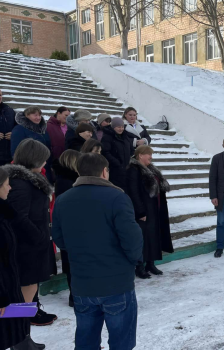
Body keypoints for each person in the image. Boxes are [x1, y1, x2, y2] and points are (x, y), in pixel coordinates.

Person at [52, 153, 142, 350]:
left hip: (82, 284)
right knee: (121, 342)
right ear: (104, 171)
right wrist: (132, 261)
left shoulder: (63, 199)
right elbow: (132, 239)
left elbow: (59, 239)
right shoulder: (118, 197)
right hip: (116, 284)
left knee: (86, 341)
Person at [2, 139, 58, 325]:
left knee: (29, 287)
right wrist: (38, 236)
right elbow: (17, 217)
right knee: (26, 287)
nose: (45, 162)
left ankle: (24, 325)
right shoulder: (20, 183)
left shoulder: (29, 179)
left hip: (31, 244)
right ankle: (21, 334)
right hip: (26, 246)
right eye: (43, 159)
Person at [0, 165, 46, 350]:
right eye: (7, 185)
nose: (10, 188)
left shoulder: (2, 211)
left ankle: (23, 342)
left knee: (21, 308)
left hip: (9, 278)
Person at [126, 146, 174, 279]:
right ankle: (139, 267)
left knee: (153, 236)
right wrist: (140, 211)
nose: (151, 157)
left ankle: (150, 264)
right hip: (144, 210)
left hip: (155, 209)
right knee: (143, 238)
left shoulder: (151, 169)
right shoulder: (134, 170)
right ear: (140, 155)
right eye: (148, 154)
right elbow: (133, 192)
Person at [52, 149, 80, 308]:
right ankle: (74, 296)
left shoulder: (67, 178)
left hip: (69, 227)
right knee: (71, 263)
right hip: (70, 227)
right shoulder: (66, 180)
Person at [10, 107, 53, 183]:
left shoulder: (43, 130)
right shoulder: (19, 129)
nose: (38, 118)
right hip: (30, 167)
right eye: (35, 115)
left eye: (39, 115)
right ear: (27, 115)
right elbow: (16, 151)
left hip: (45, 166)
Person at [101, 118, 133, 191]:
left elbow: (131, 149)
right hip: (114, 169)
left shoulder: (125, 137)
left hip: (126, 168)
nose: (121, 129)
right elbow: (105, 152)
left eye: (122, 127)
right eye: (118, 127)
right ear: (113, 127)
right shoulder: (107, 137)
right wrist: (117, 163)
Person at [0, 86, 16, 166]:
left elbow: (18, 126)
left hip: (8, 156)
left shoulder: (9, 110)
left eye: (0, 95)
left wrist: (13, 134)